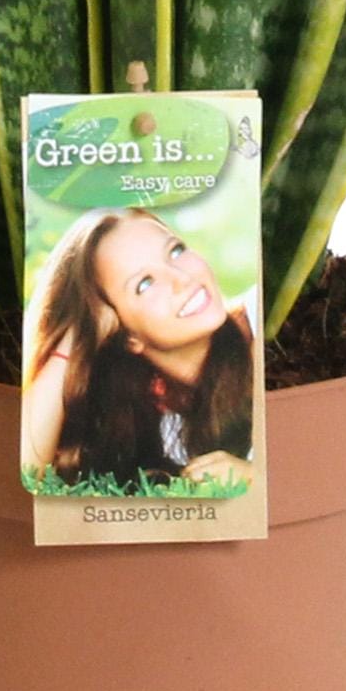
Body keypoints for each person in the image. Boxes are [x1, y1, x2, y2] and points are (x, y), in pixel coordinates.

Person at [22, 207, 256, 490]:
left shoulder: (265, 318)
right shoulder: (155, 425)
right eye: (145, 283)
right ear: (125, 336)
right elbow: (27, 476)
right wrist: (74, 341)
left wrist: (254, 475)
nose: (182, 278)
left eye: (175, 251)